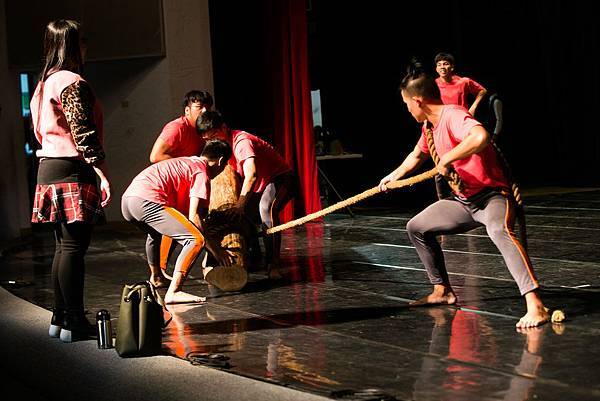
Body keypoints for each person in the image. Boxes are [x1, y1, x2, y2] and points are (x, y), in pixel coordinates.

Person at [379, 61, 549, 328]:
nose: (407, 109)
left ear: (418, 101)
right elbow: (416, 156)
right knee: (417, 227)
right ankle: (442, 291)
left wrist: (448, 158)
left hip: (492, 197)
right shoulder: (429, 128)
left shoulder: (453, 115)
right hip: (463, 200)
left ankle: (535, 305)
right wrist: (393, 176)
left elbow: (479, 136)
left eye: (406, 104)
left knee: (499, 231)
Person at [30, 20, 111, 342]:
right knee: (74, 247)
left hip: (48, 167)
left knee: (63, 247)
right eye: (83, 42)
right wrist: (102, 170)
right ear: (73, 46)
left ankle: (61, 317)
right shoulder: (71, 81)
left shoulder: (43, 84)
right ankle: (74, 320)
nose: (86, 48)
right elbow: (84, 131)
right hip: (71, 169)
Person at [121, 140, 237, 304]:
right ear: (220, 161)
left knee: (156, 233)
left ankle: (157, 277)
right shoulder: (201, 172)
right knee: (195, 239)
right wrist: (217, 251)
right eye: (224, 165)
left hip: (127, 201)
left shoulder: (188, 162)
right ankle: (174, 291)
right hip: (146, 200)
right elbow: (194, 217)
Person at [196, 111, 294, 279]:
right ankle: (252, 257)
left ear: (224, 128)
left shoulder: (242, 141)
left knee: (266, 210)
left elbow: (252, 175)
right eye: (207, 139)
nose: (212, 141)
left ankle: (273, 264)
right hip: (260, 186)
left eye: (214, 135)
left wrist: (241, 204)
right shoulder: (221, 147)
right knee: (234, 215)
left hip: (280, 180)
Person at [148, 90, 213, 280]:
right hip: (170, 184)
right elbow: (155, 156)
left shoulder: (201, 130)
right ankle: (158, 272)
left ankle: (208, 263)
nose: (204, 111)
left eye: (207, 107)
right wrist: (187, 165)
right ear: (187, 111)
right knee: (167, 228)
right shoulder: (176, 128)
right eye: (199, 107)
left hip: (188, 185)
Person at [433, 53, 488, 200]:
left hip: (461, 126)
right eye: (439, 64)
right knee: (442, 167)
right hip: (443, 128)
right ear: (436, 68)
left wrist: (473, 107)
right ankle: (444, 200)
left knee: (466, 161)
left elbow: (482, 91)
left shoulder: (463, 82)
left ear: (452, 66)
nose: (442, 67)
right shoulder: (434, 84)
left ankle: (474, 195)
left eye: (445, 64)